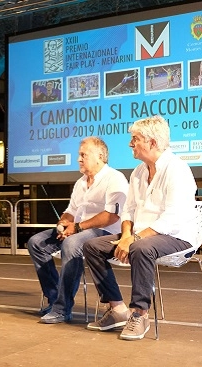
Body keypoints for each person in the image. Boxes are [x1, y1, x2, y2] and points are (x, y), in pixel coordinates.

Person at [83, 115, 197, 340]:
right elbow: (129, 210)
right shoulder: (138, 172)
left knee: (141, 248)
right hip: (139, 235)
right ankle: (117, 310)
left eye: (135, 139)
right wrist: (126, 235)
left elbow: (173, 218)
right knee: (92, 246)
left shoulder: (178, 169)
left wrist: (133, 240)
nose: (130, 144)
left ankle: (140, 314)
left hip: (177, 236)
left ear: (152, 142)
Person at [26, 137, 128, 324]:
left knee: (72, 243)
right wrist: (63, 224)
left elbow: (111, 216)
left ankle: (62, 308)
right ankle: (55, 297)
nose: (79, 159)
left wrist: (78, 228)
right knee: (36, 243)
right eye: (79, 155)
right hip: (78, 229)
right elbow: (71, 211)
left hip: (106, 232)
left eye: (83, 155)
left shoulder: (115, 178)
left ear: (99, 156)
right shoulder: (80, 183)